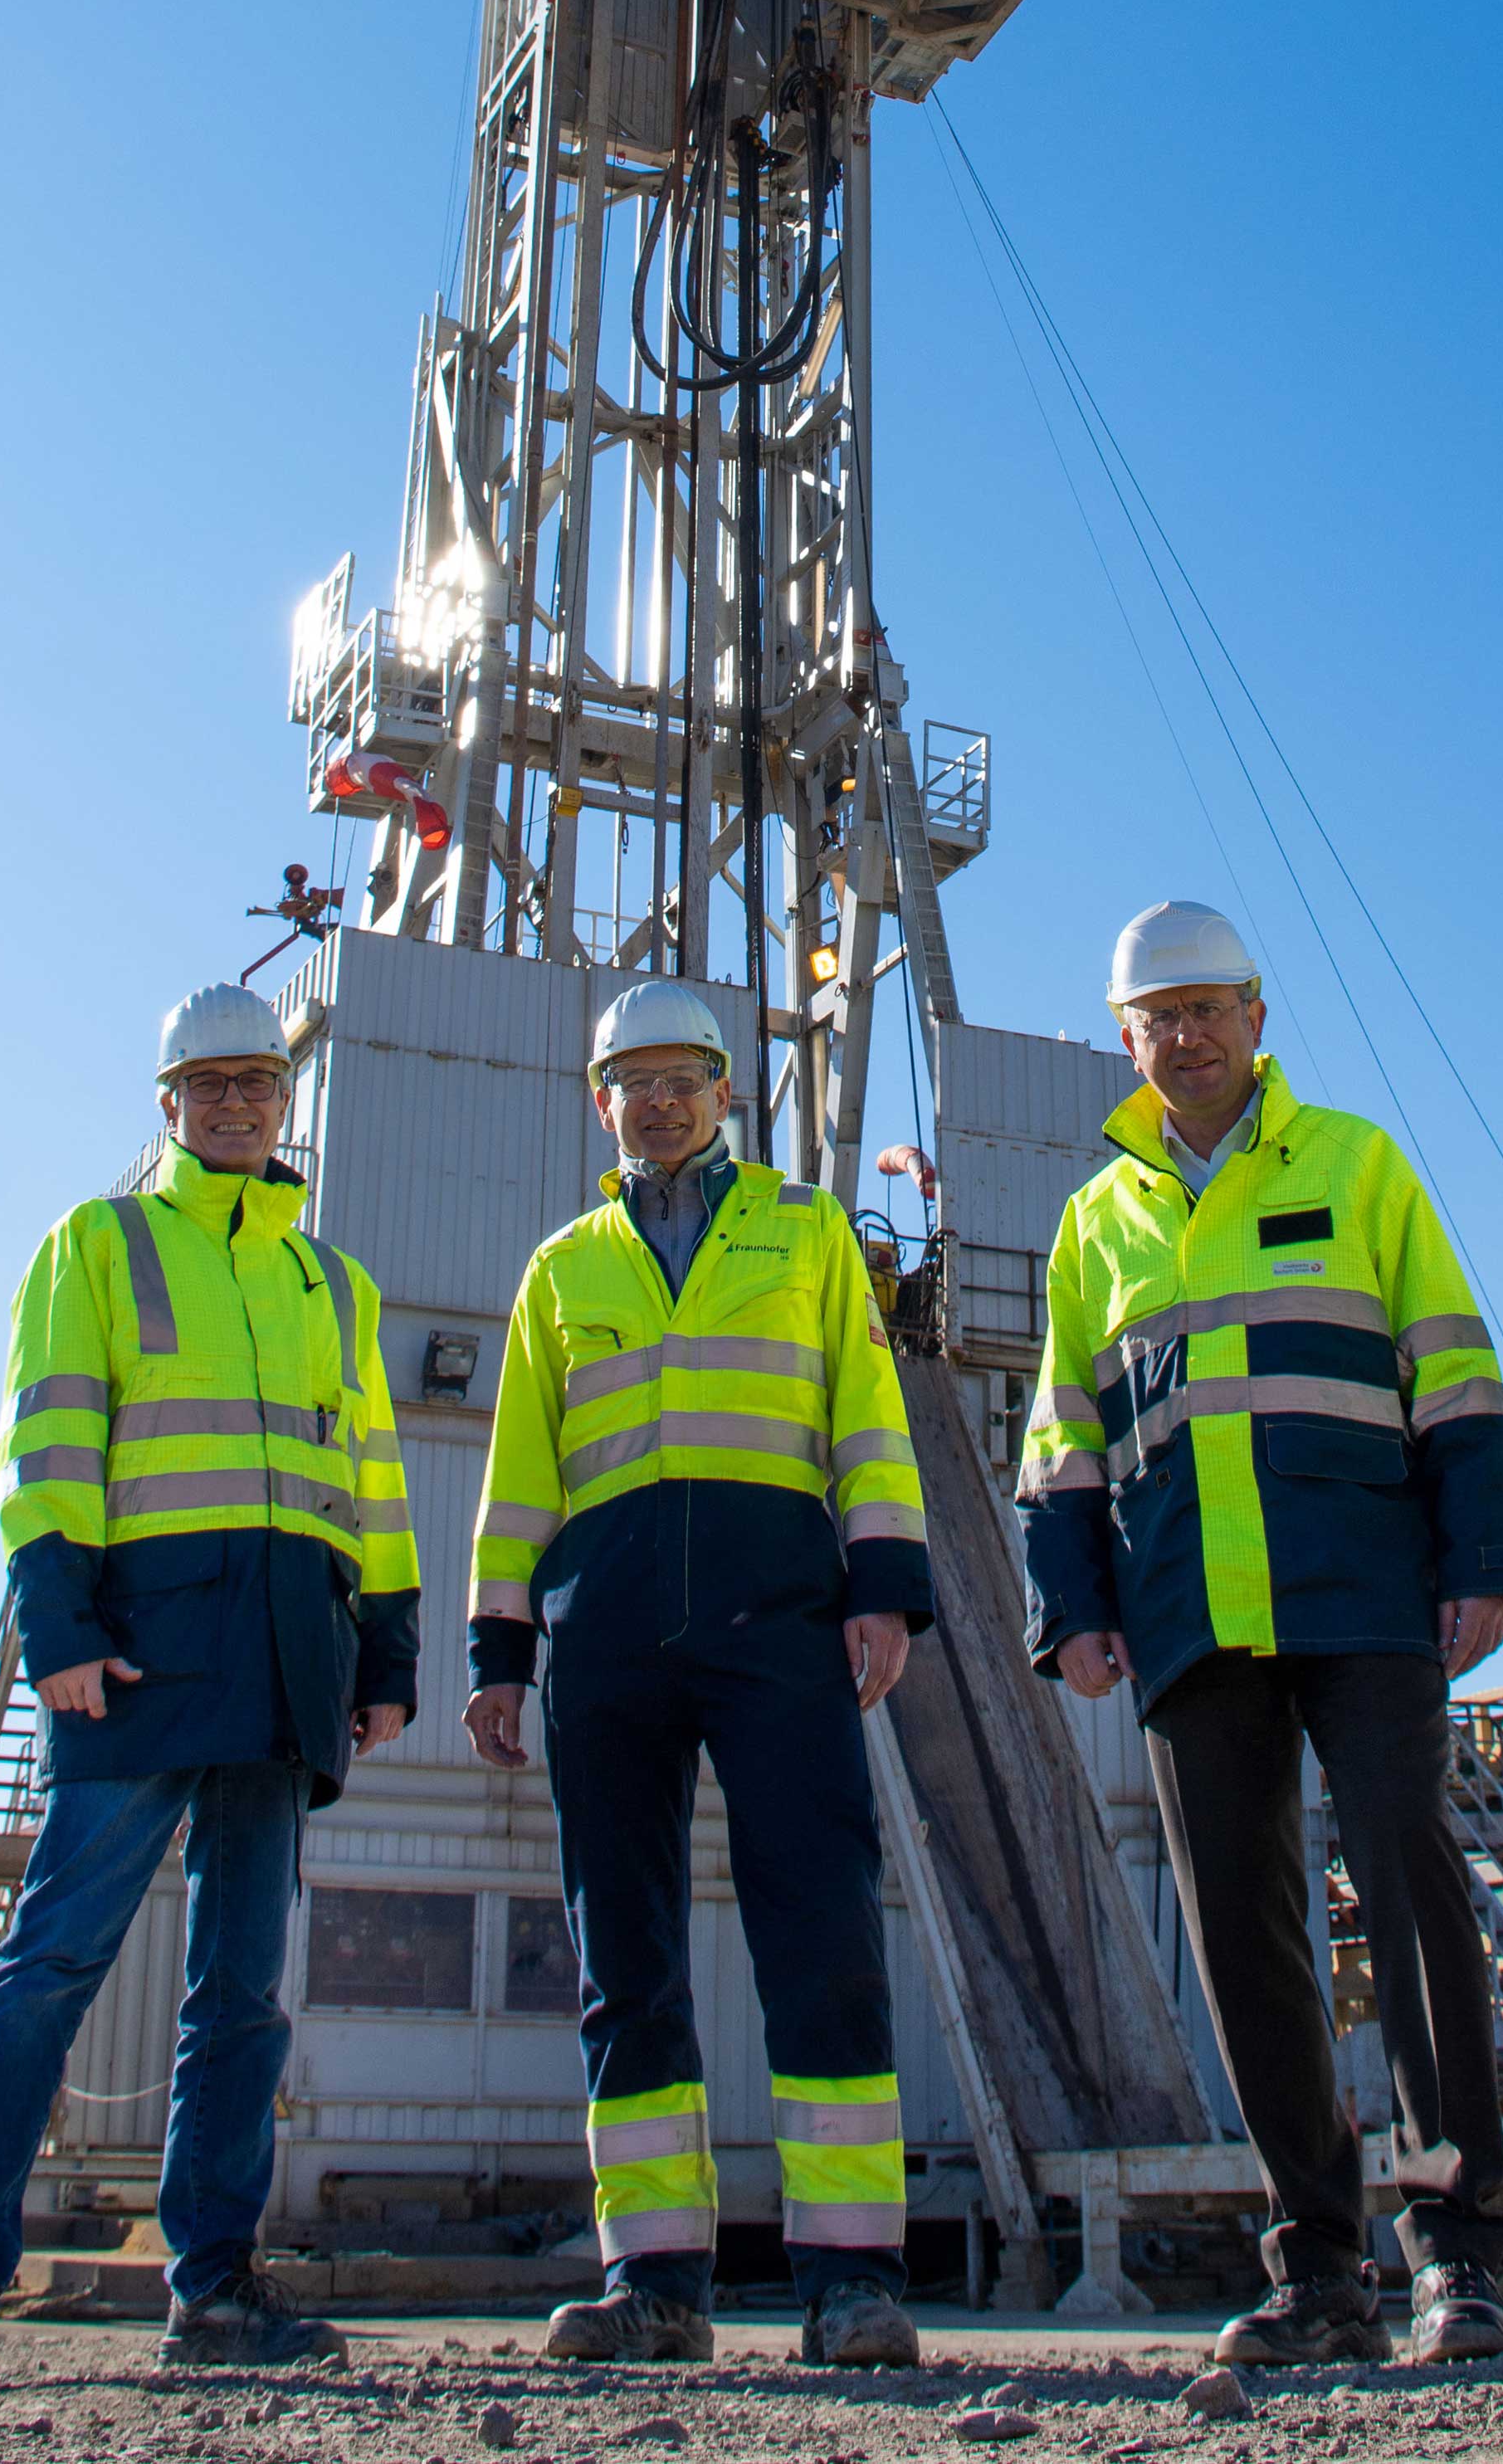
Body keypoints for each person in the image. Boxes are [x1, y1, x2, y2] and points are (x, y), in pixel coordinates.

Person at [1018, 903, 1503, 2370]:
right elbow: (1057, 1442)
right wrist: (1071, 1611)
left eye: (1207, 1007)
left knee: (1414, 1897)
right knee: (1243, 1938)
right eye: (1156, 1016)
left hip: (1364, 1596)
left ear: (1256, 1013)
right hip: (1188, 1617)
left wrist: (1483, 1561)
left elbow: (1453, 1371)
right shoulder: (1093, 1220)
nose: (1183, 1036)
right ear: (1124, 1039)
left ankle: (1457, 2251)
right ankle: (1317, 2265)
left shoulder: (1356, 1165)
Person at [0, 984, 420, 2412]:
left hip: (284, 1659)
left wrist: (385, 1656)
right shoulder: (100, 1243)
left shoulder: (332, 1282)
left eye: (258, 1080)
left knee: (243, 1993)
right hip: (132, 1657)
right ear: (168, 1104)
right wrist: (56, 1624)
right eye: (210, 1084)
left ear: (283, 1095)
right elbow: (46, 1444)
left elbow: (369, 1480)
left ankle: (216, 2283)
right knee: (53, 1961)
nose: (238, 1103)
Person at [464, 981, 933, 2372]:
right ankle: (654, 2277)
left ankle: (851, 2277)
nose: (660, 1100)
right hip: (605, 1630)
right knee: (625, 1955)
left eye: (686, 1077)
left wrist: (886, 1587)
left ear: (731, 1094)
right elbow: (516, 1480)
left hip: (777, 1611)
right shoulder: (561, 1268)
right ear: (597, 1099)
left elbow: (865, 1411)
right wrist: (501, 1651)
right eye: (634, 1079)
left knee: (821, 1925)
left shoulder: (803, 1233)